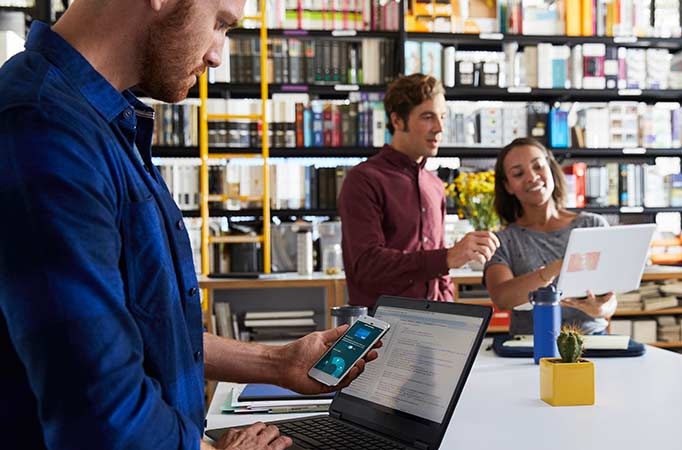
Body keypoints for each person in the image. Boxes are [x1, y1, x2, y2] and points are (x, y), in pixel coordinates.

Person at [0, 1, 377, 449]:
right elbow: (100, 410)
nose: (217, 54)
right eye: (219, 23)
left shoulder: (99, 121)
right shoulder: (43, 126)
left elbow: (142, 328)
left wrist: (279, 363)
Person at [338, 74, 500, 309]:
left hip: (435, 325)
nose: (439, 128)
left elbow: (441, 273)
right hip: (382, 330)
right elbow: (367, 266)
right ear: (397, 120)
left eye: (442, 117)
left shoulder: (434, 185)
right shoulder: (363, 180)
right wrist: (446, 257)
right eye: (428, 117)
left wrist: (448, 309)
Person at [483, 137, 617, 334]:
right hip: (530, 347)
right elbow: (502, 299)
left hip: (591, 340)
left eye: (538, 166)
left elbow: (611, 299)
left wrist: (601, 309)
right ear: (508, 186)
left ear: (551, 169)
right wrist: (553, 269)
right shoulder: (502, 241)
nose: (532, 177)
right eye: (518, 173)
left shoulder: (592, 225)